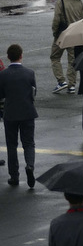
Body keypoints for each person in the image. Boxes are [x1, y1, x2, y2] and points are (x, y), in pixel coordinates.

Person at [0, 44, 37, 188]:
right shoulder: (29, 73)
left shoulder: (3, 75)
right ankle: (30, 166)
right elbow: (34, 92)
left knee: (11, 145)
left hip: (10, 113)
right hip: (27, 111)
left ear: (8, 57)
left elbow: (1, 95)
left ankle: (14, 176)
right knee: (28, 143)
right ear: (21, 55)